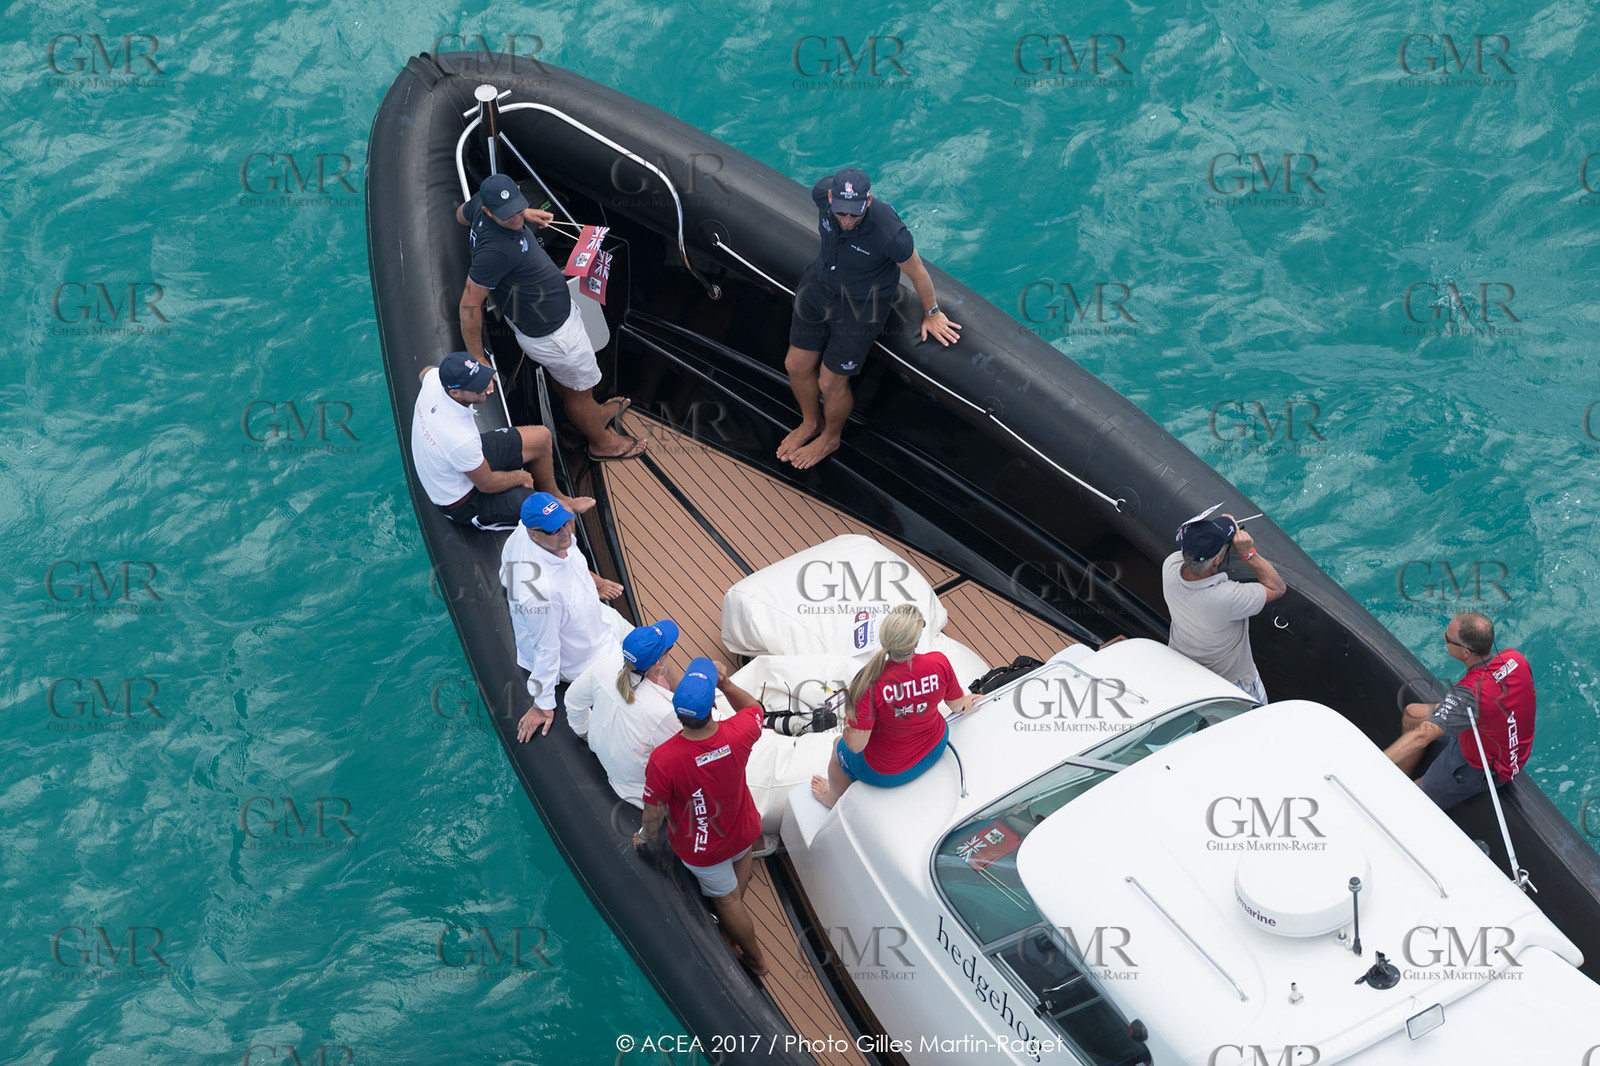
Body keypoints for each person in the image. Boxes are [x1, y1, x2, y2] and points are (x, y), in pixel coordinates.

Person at [778, 168, 962, 470]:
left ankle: (831, 437)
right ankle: (810, 422)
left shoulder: (890, 232)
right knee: (795, 365)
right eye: (841, 212)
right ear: (829, 198)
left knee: (829, 382)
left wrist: (932, 313)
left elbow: (917, 272)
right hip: (818, 288)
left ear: (869, 200)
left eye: (856, 213)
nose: (848, 221)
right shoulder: (820, 195)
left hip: (860, 308)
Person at [456, 174, 645, 462]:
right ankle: (601, 443)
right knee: (580, 391)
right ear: (488, 213)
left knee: (573, 382)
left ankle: (594, 413)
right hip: (554, 333)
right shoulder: (494, 251)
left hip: (545, 320)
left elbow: (461, 215)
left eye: (516, 208)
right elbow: (469, 306)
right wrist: (477, 358)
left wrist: (522, 215)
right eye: (506, 216)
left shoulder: (481, 204)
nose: (515, 218)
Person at [635, 658, 769, 976]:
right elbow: (755, 709)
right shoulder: (739, 733)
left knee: (728, 902)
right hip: (743, 828)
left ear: (678, 713)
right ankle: (735, 930)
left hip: (703, 850)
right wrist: (725, 683)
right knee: (738, 874)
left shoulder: (664, 760)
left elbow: (654, 815)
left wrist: (643, 836)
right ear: (712, 706)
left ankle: (756, 960)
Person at [810, 604, 975, 809]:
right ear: (915, 640)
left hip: (887, 772)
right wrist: (971, 701)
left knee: (838, 746)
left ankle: (835, 799)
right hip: (935, 747)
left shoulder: (870, 684)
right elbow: (958, 705)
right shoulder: (938, 663)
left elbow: (855, 745)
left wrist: (852, 711)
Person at [411, 351, 593, 531]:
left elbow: (426, 371)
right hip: (464, 500)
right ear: (455, 392)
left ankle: (557, 495)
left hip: (460, 461)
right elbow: (487, 484)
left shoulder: (435, 380)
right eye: (476, 385)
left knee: (541, 437)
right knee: (561, 515)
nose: (484, 387)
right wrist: (521, 477)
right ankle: (560, 509)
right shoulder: (460, 438)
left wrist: (478, 381)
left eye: (481, 378)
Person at [500, 493, 628, 741]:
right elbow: (545, 649)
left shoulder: (533, 531)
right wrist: (542, 703)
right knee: (634, 701)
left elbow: (507, 572)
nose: (564, 532)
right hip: (585, 657)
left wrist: (595, 583)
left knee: (657, 650)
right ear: (532, 534)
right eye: (553, 529)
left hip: (602, 619)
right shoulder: (539, 593)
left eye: (565, 523)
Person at [1383, 611, 1536, 810]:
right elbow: (1497, 698)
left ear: (1466, 652)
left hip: (1484, 768)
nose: (1443, 638)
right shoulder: (1515, 659)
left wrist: (1374, 765)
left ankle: (1411, 791)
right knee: (1414, 713)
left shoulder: (1467, 695)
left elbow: (1421, 738)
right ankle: (1398, 776)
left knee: (1415, 798)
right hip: (1491, 734)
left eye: (1448, 638)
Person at [1162, 512, 1286, 702]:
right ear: (1217, 560)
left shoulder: (1170, 566)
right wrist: (1249, 553)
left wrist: (1211, 535)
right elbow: (1277, 588)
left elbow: (1194, 553)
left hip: (1187, 669)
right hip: (1230, 683)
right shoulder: (1226, 598)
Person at [564, 619, 684, 807]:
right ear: (659, 661)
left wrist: (584, 732)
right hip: (638, 793)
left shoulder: (606, 664)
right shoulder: (664, 711)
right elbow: (688, 759)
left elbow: (572, 700)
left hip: (607, 762)